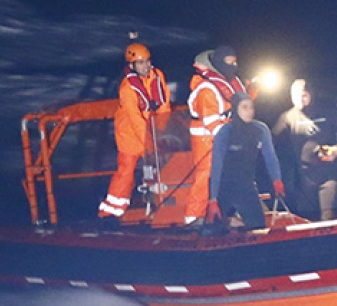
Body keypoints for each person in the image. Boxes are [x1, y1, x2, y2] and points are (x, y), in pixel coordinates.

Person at [98, 41, 171, 221]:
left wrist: (160, 131)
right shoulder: (127, 87)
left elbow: (164, 105)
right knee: (126, 172)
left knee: (160, 171)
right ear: (132, 66)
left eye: (147, 61)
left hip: (152, 131)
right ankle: (110, 212)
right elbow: (134, 117)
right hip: (130, 135)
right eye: (140, 63)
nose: (145, 66)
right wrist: (148, 140)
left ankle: (158, 208)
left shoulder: (158, 76)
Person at [184, 45, 255, 225]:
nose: (233, 66)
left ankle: (228, 213)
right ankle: (194, 217)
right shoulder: (207, 89)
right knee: (206, 175)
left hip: (226, 136)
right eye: (228, 62)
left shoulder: (230, 83)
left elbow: (240, 104)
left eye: (235, 62)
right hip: (206, 139)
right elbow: (211, 121)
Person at [272, 79, 337, 220]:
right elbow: (270, 141)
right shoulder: (287, 117)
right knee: (307, 219)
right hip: (305, 178)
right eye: (296, 95)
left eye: (304, 95)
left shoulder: (328, 112)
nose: (300, 99)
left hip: (328, 174)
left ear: (310, 95)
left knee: (327, 216)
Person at [207, 92, 283, 230]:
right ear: (236, 109)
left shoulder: (260, 129)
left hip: (246, 187)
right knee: (214, 231)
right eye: (244, 107)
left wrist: (276, 180)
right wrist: (213, 199)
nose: (250, 111)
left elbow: (270, 157)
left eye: (251, 107)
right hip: (224, 188)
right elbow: (216, 166)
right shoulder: (225, 132)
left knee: (258, 226)